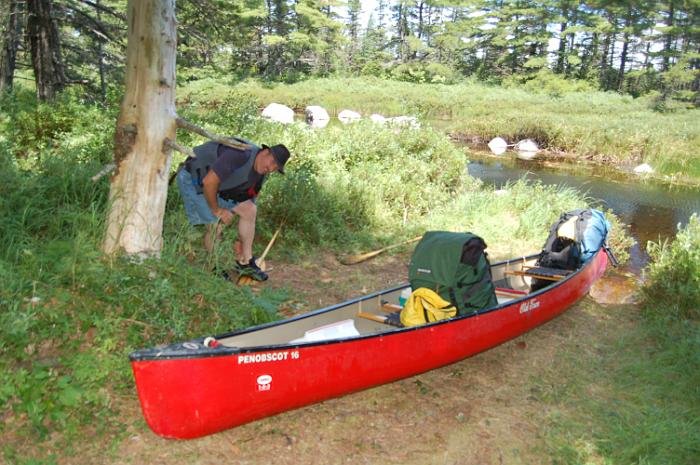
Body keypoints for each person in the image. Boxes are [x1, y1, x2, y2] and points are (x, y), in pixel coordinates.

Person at [176, 137, 290, 281]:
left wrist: (240, 241)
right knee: (215, 225)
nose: (271, 169)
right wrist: (217, 209)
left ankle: (246, 262)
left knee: (250, 210)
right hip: (194, 180)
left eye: (276, 168)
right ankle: (214, 267)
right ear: (266, 152)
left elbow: (247, 199)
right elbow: (209, 182)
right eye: (273, 162)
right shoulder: (239, 155)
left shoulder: (261, 173)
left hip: (218, 187)